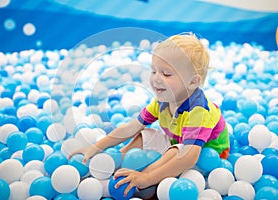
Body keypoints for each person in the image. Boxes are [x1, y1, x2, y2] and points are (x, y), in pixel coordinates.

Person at [69, 32, 230, 197]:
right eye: (154, 71)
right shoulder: (163, 101)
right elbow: (131, 127)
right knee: (145, 134)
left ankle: (137, 181)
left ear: (193, 82)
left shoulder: (199, 111)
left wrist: (146, 177)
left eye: (166, 74)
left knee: (178, 152)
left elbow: (189, 158)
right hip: (178, 143)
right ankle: (116, 165)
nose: (156, 79)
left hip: (208, 155)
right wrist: (97, 147)